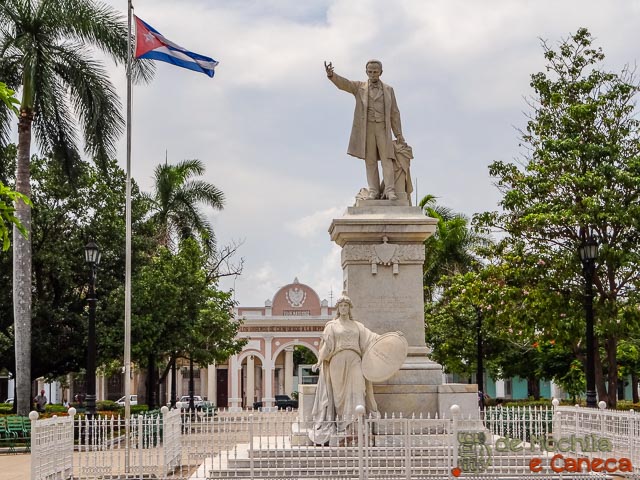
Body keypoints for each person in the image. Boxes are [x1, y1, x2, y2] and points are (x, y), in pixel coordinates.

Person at [325, 60, 407, 201]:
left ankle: (390, 190)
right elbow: (345, 84)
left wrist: (398, 134)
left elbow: (394, 113)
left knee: (387, 159)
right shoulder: (359, 87)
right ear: (366, 72)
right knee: (370, 161)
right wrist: (332, 75)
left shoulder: (388, 90)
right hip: (367, 128)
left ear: (381, 72)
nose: (373, 74)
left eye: (375, 71)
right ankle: (373, 191)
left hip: (383, 128)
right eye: (370, 71)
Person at [308, 292, 380, 445]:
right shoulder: (332, 326)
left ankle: (356, 425)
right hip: (337, 361)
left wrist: (389, 339)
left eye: (346, 305)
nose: (343, 308)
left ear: (349, 308)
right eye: (341, 306)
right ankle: (342, 426)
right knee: (339, 397)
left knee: (358, 389)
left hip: (355, 359)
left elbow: (372, 338)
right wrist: (319, 361)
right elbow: (326, 346)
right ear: (338, 308)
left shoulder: (358, 326)